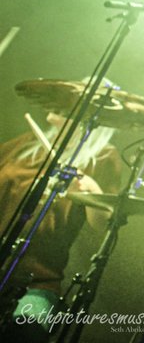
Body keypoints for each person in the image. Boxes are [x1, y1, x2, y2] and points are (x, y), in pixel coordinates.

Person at [0, 115, 120, 340]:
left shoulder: (102, 157)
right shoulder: (26, 143)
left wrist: (91, 190)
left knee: (25, 331)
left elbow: (104, 224)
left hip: (38, 280)